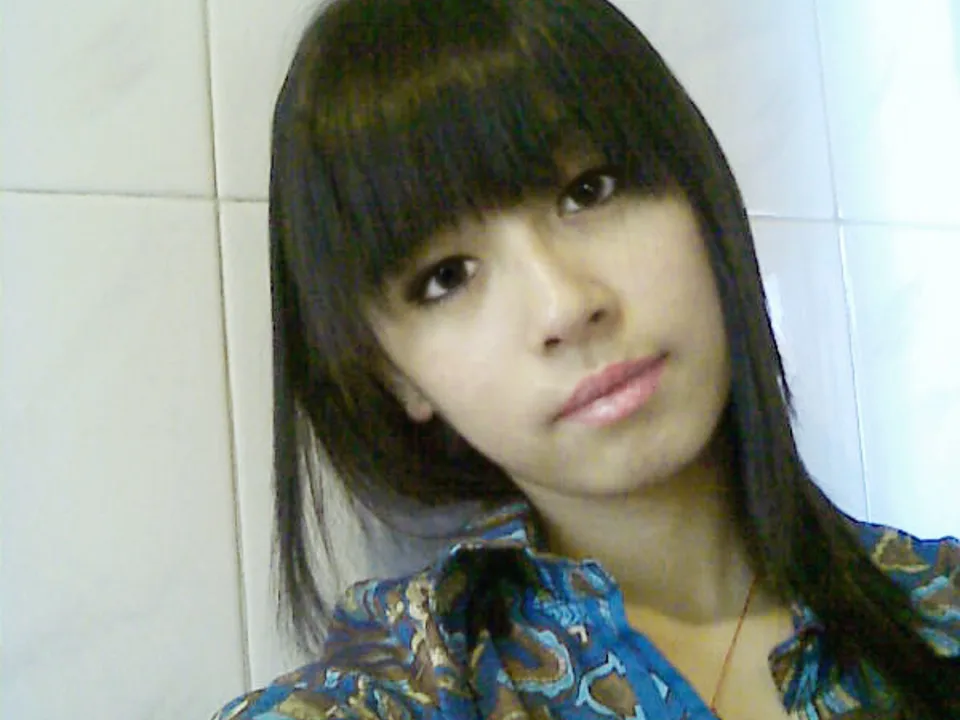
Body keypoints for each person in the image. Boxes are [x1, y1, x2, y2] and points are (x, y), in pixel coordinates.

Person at [212, 0, 960, 718]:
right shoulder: (401, 694)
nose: (565, 306)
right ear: (396, 375)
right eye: (446, 277)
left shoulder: (941, 608)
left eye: (589, 191)